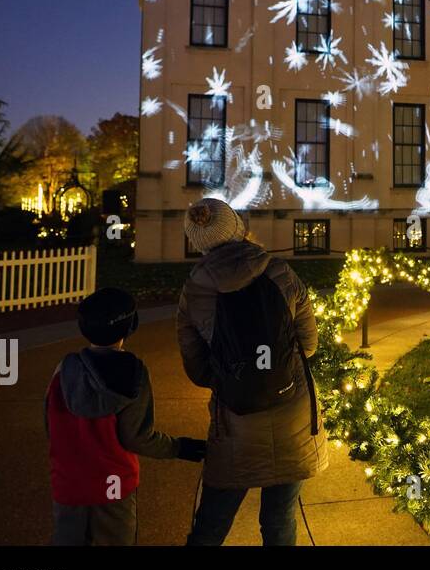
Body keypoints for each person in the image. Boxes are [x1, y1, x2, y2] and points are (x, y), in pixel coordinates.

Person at [178, 198, 328, 545]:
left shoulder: (195, 291)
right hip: (293, 415)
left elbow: (197, 368)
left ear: (197, 242)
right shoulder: (279, 271)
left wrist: (232, 377)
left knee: (212, 523)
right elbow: (309, 343)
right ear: (236, 226)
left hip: (235, 425)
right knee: (279, 522)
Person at [45, 287, 206, 545]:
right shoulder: (133, 373)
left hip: (69, 482)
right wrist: (181, 447)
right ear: (131, 326)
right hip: (114, 483)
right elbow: (137, 437)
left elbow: (50, 425)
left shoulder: (64, 369)